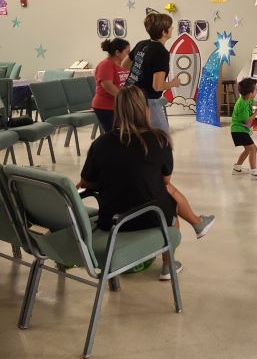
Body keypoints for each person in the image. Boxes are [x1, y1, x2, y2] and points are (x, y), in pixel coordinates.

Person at [77, 87, 215, 281]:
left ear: (117, 111)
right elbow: (166, 180)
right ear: (146, 110)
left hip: (112, 221)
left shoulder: (101, 143)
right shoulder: (159, 139)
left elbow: (86, 183)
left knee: (163, 192)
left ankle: (197, 223)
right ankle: (168, 264)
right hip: (151, 217)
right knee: (169, 200)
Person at [125, 12, 181, 133]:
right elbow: (157, 86)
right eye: (170, 26)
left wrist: (139, 69)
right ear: (163, 32)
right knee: (163, 137)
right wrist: (174, 83)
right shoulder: (161, 52)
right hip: (146, 100)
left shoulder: (141, 44)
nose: (173, 28)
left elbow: (124, 64)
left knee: (140, 136)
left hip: (129, 97)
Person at [92, 38, 130, 134]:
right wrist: (126, 98)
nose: (129, 55)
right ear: (117, 52)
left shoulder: (122, 65)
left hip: (119, 105)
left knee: (124, 134)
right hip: (105, 107)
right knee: (114, 136)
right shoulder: (105, 65)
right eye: (127, 52)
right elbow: (107, 86)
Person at [231, 78, 257, 178]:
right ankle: (254, 172)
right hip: (238, 130)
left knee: (248, 149)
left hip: (241, 130)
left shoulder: (247, 99)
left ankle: (237, 168)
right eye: (256, 90)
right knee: (253, 149)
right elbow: (247, 121)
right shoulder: (242, 104)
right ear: (250, 93)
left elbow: (252, 103)